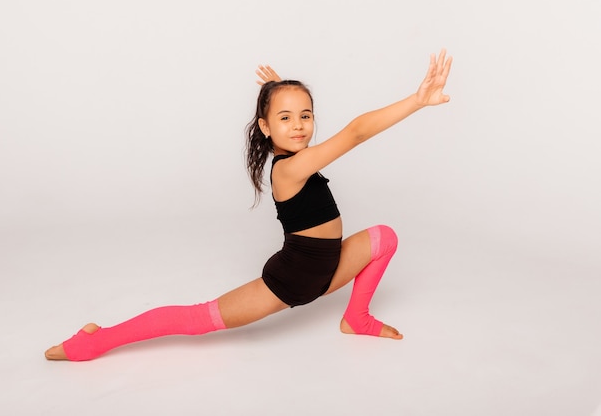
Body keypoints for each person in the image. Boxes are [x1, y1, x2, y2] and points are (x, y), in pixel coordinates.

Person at [45, 49, 453, 361]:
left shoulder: (300, 154)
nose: (298, 126)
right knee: (196, 320)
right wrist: (415, 101)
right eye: (285, 118)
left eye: (305, 116)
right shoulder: (289, 170)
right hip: (291, 280)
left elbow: (295, 124)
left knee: (385, 238)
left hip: (327, 270)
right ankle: (96, 342)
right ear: (265, 126)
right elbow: (357, 132)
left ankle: (356, 319)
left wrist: (278, 93)